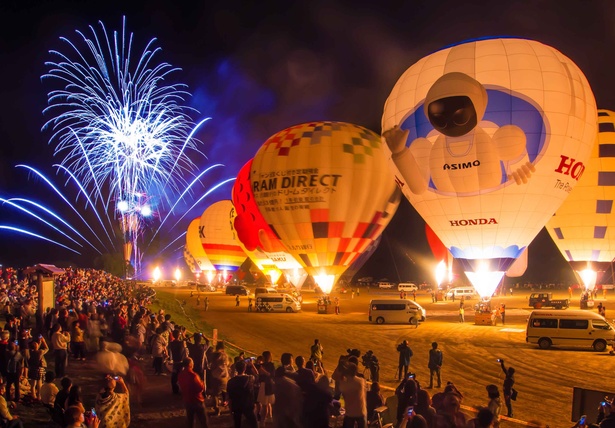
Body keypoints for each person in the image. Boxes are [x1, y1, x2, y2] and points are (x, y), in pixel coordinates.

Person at [177, 357, 209, 428]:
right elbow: (200, 388)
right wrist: (202, 383)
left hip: (187, 400)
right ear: (190, 364)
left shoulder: (180, 375)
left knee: (190, 420)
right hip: (197, 400)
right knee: (203, 420)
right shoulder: (194, 376)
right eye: (192, 363)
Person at [226, 359, 257, 428]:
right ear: (245, 369)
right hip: (248, 405)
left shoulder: (231, 381)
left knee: (237, 423)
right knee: (253, 423)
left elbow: (230, 396)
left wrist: (230, 408)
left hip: (236, 405)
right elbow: (257, 374)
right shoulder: (250, 378)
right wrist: (252, 365)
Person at [338, 362, 367, 428]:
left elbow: (340, 386)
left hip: (350, 413)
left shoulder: (344, 384)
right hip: (361, 412)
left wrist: (342, 375)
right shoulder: (361, 381)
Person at [168, 329, 189, 394]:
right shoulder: (181, 343)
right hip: (181, 363)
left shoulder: (171, 344)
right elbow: (187, 341)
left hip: (175, 362)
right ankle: (184, 389)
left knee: (174, 377)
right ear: (179, 335)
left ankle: (175, 390)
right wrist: (183, 335)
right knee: (183, 377)